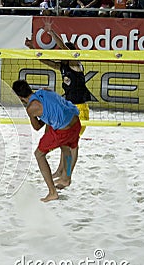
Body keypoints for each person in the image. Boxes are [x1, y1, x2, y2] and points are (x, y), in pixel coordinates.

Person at [25, 22, 91, 188]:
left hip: (79, 109)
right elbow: (46, 62)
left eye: (62, 52)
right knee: (65, 144)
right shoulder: (62, 66)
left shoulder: (75, 64)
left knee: (70, 145)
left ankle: (66, 176)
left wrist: (52, 32)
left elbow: (63, 47)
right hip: (68, 108)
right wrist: (32, 48)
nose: (60, 54)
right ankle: (61, 172)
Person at [12, 80, 81, 202]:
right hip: (75, 121)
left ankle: (52, 192)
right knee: (66, 148)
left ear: (19, 97)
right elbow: (53, 106)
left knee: (39, 154)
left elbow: (37, 127)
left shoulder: (31, 107)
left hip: (64, 130)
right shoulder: (44, 90)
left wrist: (34, 115)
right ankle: (66, 178)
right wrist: (46, 116)